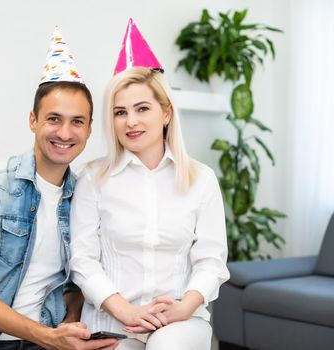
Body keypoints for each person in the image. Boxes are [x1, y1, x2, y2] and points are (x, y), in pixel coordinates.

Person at [0, 26, 118, 350]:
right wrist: (48, 338)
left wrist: (70, 323)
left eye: (77, 121)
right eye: (53, 119)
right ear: (33, 120)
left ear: (89, 129)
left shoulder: (84, 196)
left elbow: (74, 282)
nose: (64, 132)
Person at [69, 19, 230, 350]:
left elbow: (211, 261)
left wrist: (184, 306)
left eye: (142, 108)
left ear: (166, 112)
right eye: (119, 112)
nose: (131, 121)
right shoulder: (92, 177)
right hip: (111, 320)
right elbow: (83, 260)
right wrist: (124, 310)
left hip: (180, 320)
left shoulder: (201, 179)